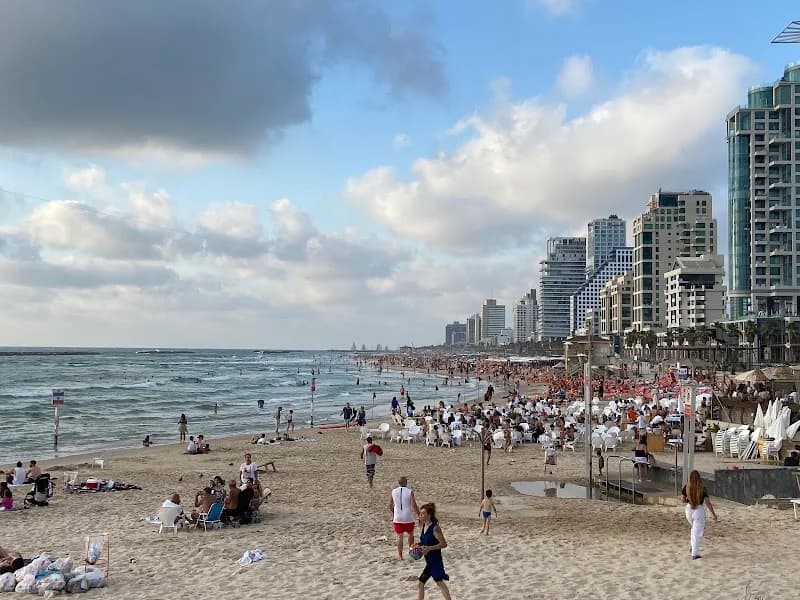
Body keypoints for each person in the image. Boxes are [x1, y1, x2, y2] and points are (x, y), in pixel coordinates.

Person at [414, 503, 451, 600]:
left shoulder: (435, 528)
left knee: (439, 583)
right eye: (420, 514)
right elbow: (424, 541)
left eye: (423, 514)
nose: (420, 516)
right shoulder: (424, 526)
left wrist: (429, 548)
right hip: (429, 562)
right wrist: (417, 544)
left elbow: (444, 544)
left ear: (429, 515)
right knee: (421, 583)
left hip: (435, 561)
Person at [681, 470, 718, 559]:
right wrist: (714, 514)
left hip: (689, 509)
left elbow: (682, 500)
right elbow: (708, 503)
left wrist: (688, 500)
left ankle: (693, 547)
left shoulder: (686, 487)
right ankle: (694, 553)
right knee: (697, 533)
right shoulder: (702, 488)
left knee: (694, 530)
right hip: (699, 510)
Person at [389, 476, 419, 560]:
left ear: (398, 483)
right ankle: (411, 552)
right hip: (408, 516)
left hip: (398, 517)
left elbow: (390, 505)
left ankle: (400, 555)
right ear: (406, 482)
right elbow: (414, 505)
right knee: (410, 535)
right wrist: (419, 514)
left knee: (399, 536)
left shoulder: (393, 491)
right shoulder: (410, 491)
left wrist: (394, 513)